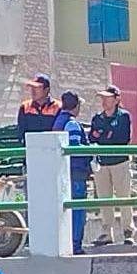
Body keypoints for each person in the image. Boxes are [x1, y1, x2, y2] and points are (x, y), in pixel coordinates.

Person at [88, 85, 134, 246]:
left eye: (107, 98)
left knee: (123, 197)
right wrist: (105, 135)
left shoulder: (124, 116)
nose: (104, 101)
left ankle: (128, 231)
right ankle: (106, 232)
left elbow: (122, 138)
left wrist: (103, 135)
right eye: (103, 98)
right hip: (102, 163)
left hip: (120, 162)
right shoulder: (97, 118)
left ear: (116, 99)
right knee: (104, 198)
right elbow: (92, 138)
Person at [54, 91, 92, 255]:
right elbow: (75, 147)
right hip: (76, 172)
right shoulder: (72, 124)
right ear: (76, 106)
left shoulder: (57, 122)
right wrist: (91, 149)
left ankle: (65, 242)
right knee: (77, 209)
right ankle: (75, 244)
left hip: (62, 172)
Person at [16, 73, 61, 142]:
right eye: (32, 87)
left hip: (51, 148)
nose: (33, 91)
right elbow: (21, 133)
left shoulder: (58, 107)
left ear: (46, 90)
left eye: (37, 88)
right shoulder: (24, 107)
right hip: (30, 149)